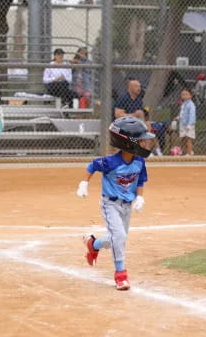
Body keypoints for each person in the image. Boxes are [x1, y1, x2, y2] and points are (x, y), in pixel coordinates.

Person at [76, 116, 155, 290]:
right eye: (140, 141)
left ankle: (93, 244)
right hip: (110, 204)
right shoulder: (112, 162)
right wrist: (84, 183)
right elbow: (93, 166)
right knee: (119, 237)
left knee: (118, 239)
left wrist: (140, 197)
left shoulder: (139, 161)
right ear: (128, 143)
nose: (144, 144)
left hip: (126, 206)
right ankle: (121, 275)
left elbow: (141, 180)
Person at [173, 88, 196, 156]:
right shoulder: (183, 104)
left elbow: (192, 115)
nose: (184, 96)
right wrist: (178, 117)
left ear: (190, 96)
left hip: (189, 124)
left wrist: (189, 124)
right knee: (183, 138)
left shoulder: (191, 105)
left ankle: (189, 153)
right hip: (182, 124)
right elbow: (182, 113)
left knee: (188, 138)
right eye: (183, 94)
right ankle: (184, 151)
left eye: (186, 94)